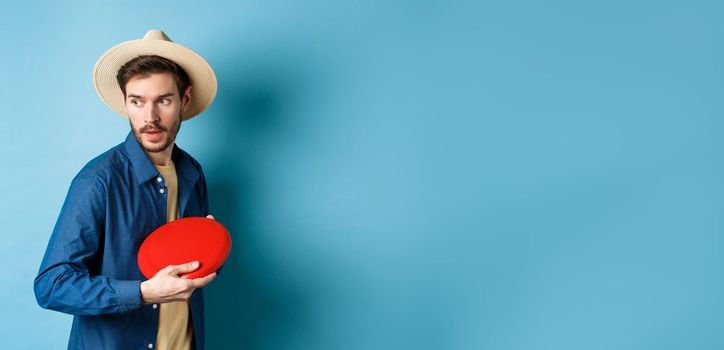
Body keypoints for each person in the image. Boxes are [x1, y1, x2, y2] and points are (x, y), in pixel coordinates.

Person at [34, 29, 219, 350]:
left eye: (163, 100)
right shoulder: (97, 180)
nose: (150, 117)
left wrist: (210, 247)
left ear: (184, 100)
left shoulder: (192, 172)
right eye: (137, 101)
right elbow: (52, 286)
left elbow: (187, 268)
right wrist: (144, 293)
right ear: (126, 103)